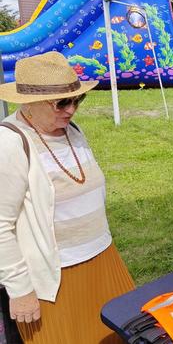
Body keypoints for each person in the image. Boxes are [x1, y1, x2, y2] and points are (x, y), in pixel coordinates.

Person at [0, 52, 135, 343]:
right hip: (54, 280)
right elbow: (1, 228)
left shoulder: (72, 130)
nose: (71, 109)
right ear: (29, 103)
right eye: (62, 102)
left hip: (102, 259)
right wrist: (20, 290)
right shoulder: (9, 142)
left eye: (77, 100)